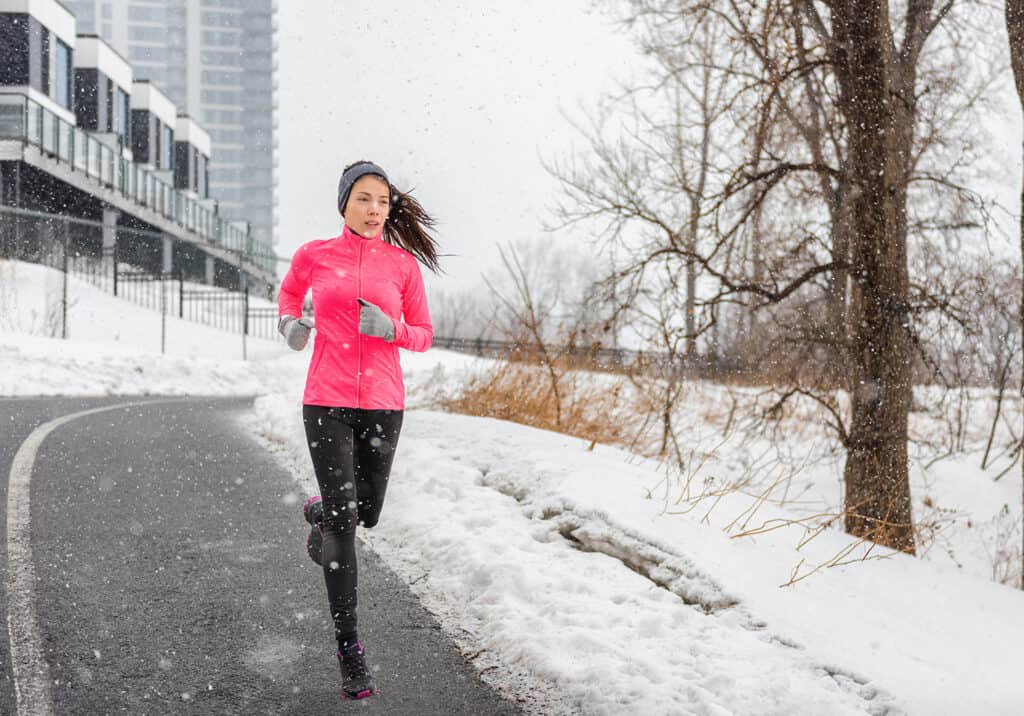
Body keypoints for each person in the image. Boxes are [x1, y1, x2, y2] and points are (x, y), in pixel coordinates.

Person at [277, 160, 439, 700]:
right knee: (348, 523)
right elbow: (286, 298)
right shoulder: (314, 255)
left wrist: (391, 329)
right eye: (365, 199)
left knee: (364, 513)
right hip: (325, 399)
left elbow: (423, 334)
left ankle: (320, 513)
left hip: (383, 405)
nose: (375, 210)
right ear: (345, 202)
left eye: (383, 202)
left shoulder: (402, 267)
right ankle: (350, 648)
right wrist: (290, 326)